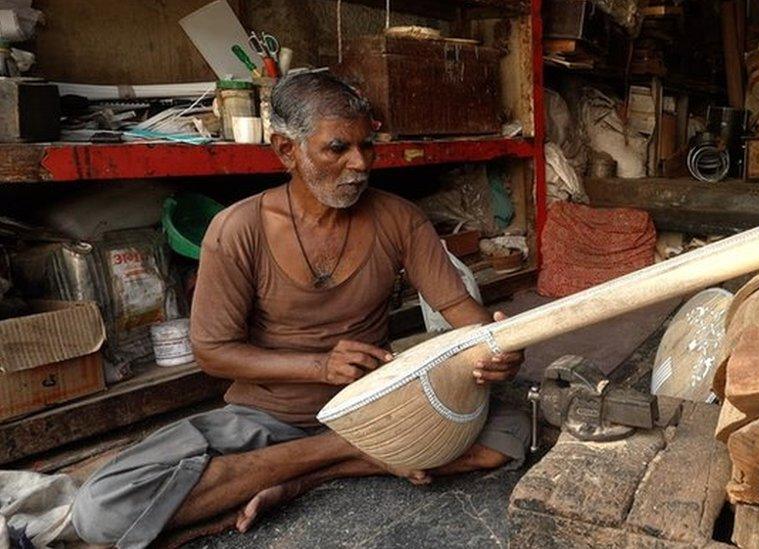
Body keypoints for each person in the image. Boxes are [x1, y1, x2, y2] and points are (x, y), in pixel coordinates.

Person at [71, 71, 531, 548]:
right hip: (263, 418)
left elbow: (459, 308)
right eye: (338, 149)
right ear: (286, 149)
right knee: (102, 509)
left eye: (367, 147)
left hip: (375, 408)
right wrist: (318, 366)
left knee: (509, 432)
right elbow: (212, 352)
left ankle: (303, 477)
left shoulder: (400, 219)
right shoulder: (237, 230)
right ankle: (350, 454)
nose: (360, 164)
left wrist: (496, 346)